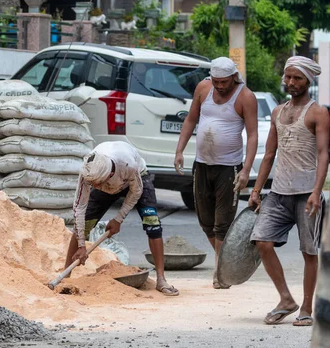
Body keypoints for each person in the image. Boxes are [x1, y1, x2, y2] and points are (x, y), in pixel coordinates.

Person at [248, 56, 328, 326]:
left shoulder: (317, 112)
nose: (291, 82)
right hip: (279, 192)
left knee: (309, 252)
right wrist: (257, 189)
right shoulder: (277, 112)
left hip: (307, 194)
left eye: (297, 78)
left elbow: (323, 154)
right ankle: (286, 299)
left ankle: (306, 307)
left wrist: (317, 192)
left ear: (308, 81)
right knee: (262, 241)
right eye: (288, 77)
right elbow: (269, 153)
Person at [174, 57, 258, 289]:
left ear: (233, 77)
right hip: (202, 163)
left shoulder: (245, 97)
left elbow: (252, 135)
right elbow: (191, 119)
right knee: (205, 221)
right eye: (216, 81)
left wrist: (246, 170)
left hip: (229, 167)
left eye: (224, 81)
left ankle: (220, 270)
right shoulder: (203, 88)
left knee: (223, 223)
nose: (220, 85)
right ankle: (227, 261)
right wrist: (179, 150)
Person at [65, 141, 179, 296]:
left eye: (97, 184)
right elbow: (79, 208)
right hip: (110, 180)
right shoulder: (88, 171)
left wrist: (118, 219)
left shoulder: (128, 165)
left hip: (137, 180)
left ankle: (161, 279)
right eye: (92, 185)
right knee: (83, 225)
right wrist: (81, 245)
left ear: (109, 175)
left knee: (152, 223)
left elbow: (136, 192)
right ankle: (65, 276)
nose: (95, 188)